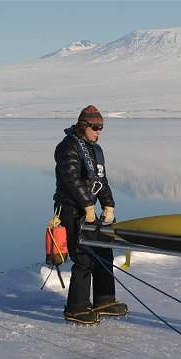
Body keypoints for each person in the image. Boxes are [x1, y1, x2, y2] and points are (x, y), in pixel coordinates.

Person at [54, 104, 128, 324]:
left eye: (101, 127)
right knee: (84, 257)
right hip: (71, 209)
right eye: (95, 127)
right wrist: (87, 205)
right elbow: (72, 180)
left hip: (88, 210)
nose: (98, 131)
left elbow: (101, 181)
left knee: (104, 253)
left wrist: (108, 204)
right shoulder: (67, 147)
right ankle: (76, 308)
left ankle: (104, 300)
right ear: (83, 125)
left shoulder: (96, 150)